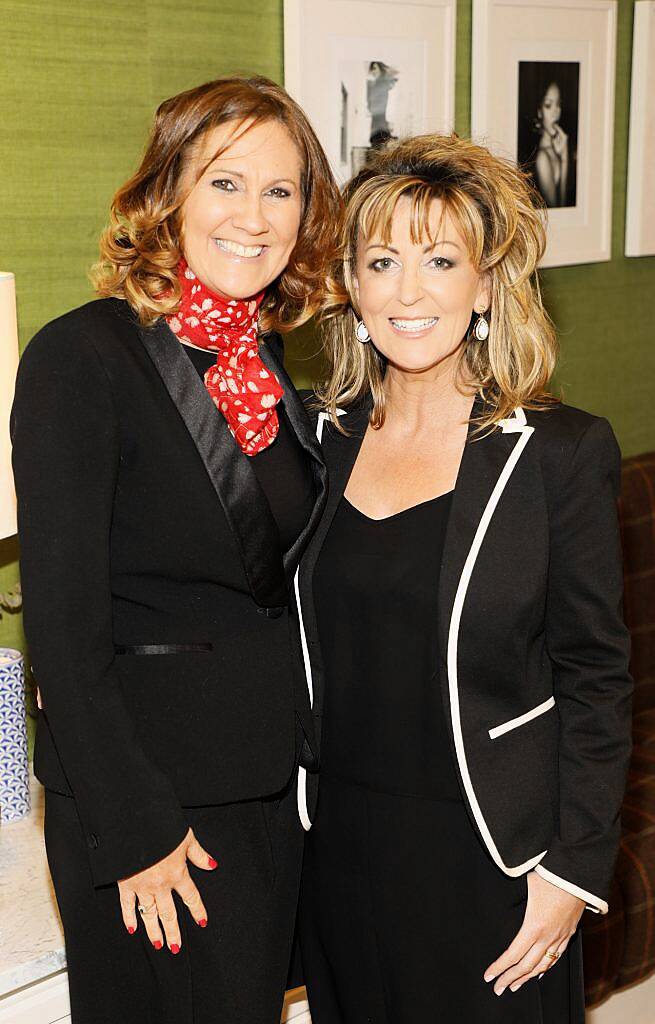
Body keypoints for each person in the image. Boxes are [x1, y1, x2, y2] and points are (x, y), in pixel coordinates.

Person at [11, 75, 340, 1024]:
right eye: (224, 183)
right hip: (155, 806)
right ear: (168, 195)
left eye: (280, 191)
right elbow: (65, 637)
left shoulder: (265, 359)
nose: (254, 216)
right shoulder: (80, 359)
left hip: (267, 783)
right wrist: (135, 830)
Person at [294, 133, 632, 1022]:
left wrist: (571, 871)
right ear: (351, 287)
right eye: (382, 261)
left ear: (484, 284)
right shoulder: (311, 441)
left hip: (491, 857)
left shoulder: (558, 453)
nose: (409, 291)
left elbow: (596, 676)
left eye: (440, 260)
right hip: (338, 855)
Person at [533, 81, 569, 207]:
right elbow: (558, 210)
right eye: (548, 105)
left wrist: (563, 157)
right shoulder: (542, 157)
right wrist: (564, 159)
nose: (556, 111)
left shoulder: (558, 148)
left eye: (558, 104)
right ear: (539, 112)